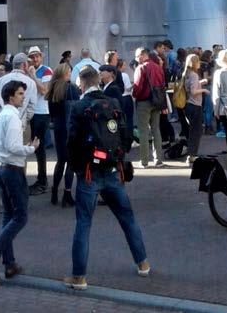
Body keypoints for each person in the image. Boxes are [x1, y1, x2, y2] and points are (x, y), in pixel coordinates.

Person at [64, 66, 150, 290]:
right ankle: (143, 263)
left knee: (83, 223)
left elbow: (71, 142)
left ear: (81, 84)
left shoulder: (78, 106)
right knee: (127, 218)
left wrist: (78, 168)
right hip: (113, 171)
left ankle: (79, 276)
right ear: (98, 81)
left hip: (89, 173)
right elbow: (125, 135)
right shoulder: (114, 103)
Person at [0, 80, 40, 284]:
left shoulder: (0, 117)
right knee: (20, 217)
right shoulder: (13, 117)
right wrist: (31, 148)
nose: (23, 97)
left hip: (2, 167)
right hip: (13, 169)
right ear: (11, 97)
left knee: (8, 215)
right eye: (21, 94)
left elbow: (2, 146)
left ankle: (10, 263)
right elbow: (14, 146)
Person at [45, 63, 80, 206]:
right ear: (66, 73)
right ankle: (67, 194)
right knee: (71, 162)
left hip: (58, 128)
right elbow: (77, 109)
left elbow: (52, 114)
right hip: (69, 128)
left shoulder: (53, 89)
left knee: (60, 161)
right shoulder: (71, 88)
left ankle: (54, 192)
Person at [132, 47, 165, 168]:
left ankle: (144, 161)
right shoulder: (157, 67)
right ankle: (158, 160)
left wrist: (134, 95)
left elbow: (137, 87)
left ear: (141, 55)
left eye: (136, 56)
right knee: (156, 129)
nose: (136, 59)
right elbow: (162, 85)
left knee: (143, 131)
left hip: (143, 102)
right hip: (157, 101)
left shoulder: (141, 68)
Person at [27, 46, 53, 194]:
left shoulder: (46, 70)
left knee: (40, 147)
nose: (35, 59)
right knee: (36, 148)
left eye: (37, 56)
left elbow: (44, 90)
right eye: (32, 57)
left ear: (41, 57)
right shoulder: (29, 70)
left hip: (42, 113)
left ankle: (42, 181)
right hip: (31, 113)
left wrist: (32, 76)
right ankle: (41, 179)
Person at [0, 53, 37, 128]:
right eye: (27, 63)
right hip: (20, 122)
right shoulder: (31, 83)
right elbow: (32, 106)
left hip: (2, 121)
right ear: (24, 65)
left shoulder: (0, 80)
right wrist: (23, 120)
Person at [182, 53, 210, 164]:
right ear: (194, 63)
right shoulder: (193, 74)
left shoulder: (186, 73)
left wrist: (200, 83)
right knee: (196, 132)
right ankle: (191, 155)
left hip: (188, 105)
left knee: (192, 131)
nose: (199, 63)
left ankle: (191, 153)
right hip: (195, 105)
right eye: (198, 61)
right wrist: (204, 90)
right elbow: (193, 92)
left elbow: (190, 88)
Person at [117, 58, 134, 143]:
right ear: (120, 66)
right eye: (124, 65)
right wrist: (134, 84)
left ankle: (122, 138)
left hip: (119, 99)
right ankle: (130, 138)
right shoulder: (125, 75)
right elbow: (127, 89)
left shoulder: (115, 74)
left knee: (122, 119)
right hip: (127, 98)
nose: (125, 66)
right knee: (129, 119)